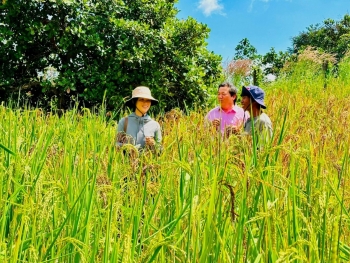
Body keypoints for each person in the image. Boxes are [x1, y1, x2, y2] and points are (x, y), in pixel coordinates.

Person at [116, 86, 162, 152]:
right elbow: (117, 144)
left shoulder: (155, 125)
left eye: (148, 100)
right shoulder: (124, 122)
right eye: (141, 99)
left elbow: (160, 150)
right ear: (134, 102)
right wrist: (128, 147)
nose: (145, 103)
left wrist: (153, 144)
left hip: (148, 162)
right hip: (127, 161)